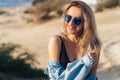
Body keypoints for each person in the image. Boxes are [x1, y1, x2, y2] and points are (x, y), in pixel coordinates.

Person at [44, 0, 101, 80]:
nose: (70, 23)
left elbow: (91, 78)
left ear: (86, 23)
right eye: (68, 18)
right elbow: (57, 78)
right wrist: (84, 63)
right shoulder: (57, 41)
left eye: (77, 20)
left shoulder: (93, 46)